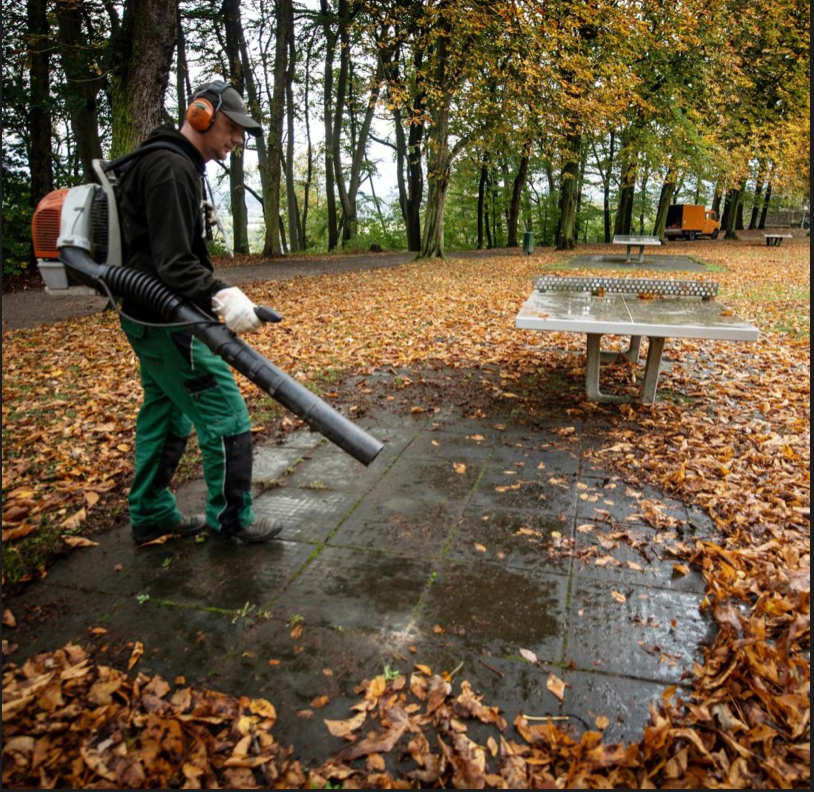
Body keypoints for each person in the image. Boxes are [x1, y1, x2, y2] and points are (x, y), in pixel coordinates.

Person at [117, 79, 281, 544]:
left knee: (166, 415)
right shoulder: (170, 169)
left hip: (147, 317)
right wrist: (224, 295)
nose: (237, 140)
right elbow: (173, 264)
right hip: (168, 321)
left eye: (242, 133)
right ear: (201, 115)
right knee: (226, 416)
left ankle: (150, 512)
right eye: (232, 128)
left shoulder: (173, 163)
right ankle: (231, 521)